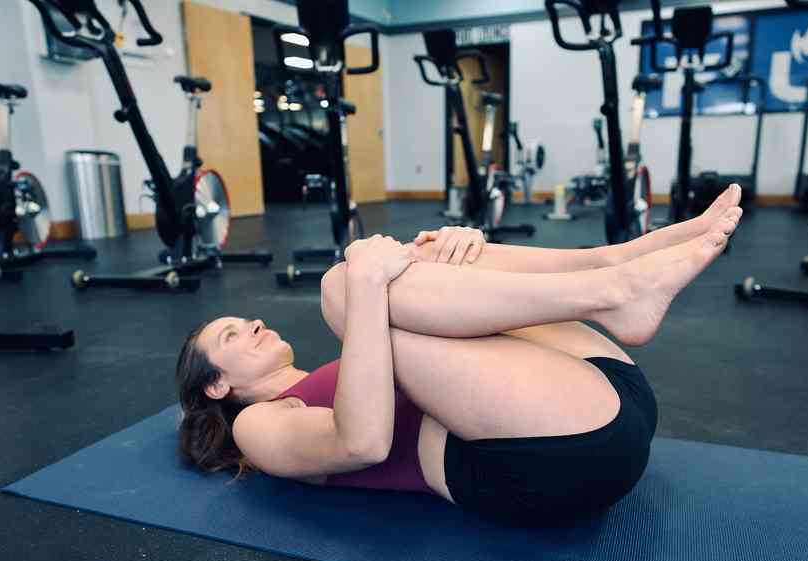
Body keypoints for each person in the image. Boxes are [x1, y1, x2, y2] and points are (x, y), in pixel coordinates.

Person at [175, 185, 744, 527]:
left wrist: (447, 257)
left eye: (243, 321)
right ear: (217, 387)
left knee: (404, 268)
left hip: (603, 396)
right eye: (230, 338)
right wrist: (375, 281)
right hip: (549, 463)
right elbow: (362, 443)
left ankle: (621, 260)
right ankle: (616, 290)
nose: (251, 324)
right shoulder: (256, 425)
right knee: (343, 287)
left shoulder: (358, 358)